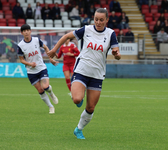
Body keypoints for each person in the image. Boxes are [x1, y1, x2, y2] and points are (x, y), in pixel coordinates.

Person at [47, 8, 121, 139]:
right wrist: (54, 50)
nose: (98, 22)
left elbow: (117, 52)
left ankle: (79, 129)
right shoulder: (86, 29)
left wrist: (116, 54)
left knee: (91, 107)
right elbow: (66, 36)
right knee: (77, 99)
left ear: (107, 20)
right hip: (81, 70)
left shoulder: (110, 34)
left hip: (97, 75)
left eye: (101, 20)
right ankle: (79, 95)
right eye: (96, 19)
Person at [17, 24, 59, 114]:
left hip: (41, 68)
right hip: (31, 71)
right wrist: (29, 64)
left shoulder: (36, 40)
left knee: (46, 87)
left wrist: (50, 58)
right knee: (40, 90)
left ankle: (51, 93)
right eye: (24, 31)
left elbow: (45, 47)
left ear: (30, 31)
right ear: (22, 33)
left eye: (28, 30)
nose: (26, 32)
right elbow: (21, 60)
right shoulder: (20, 45)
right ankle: (51, 107)